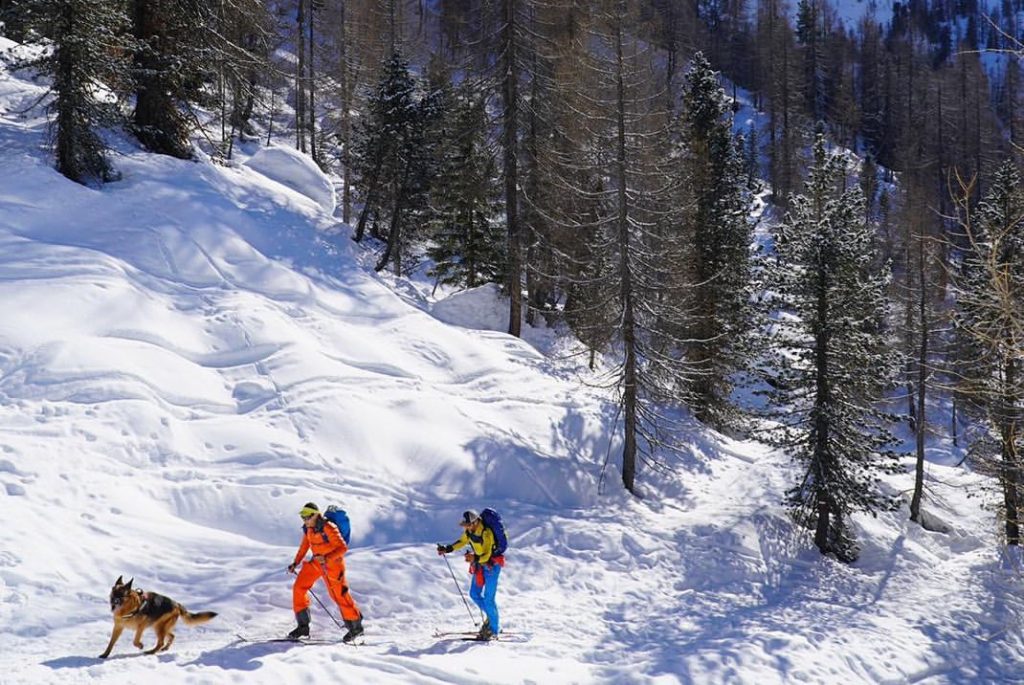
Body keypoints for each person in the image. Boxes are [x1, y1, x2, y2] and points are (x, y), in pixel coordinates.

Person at [288, 502, 364, 642]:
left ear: (315, 515)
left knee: (338, 594)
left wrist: (327, 558)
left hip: (333, 564)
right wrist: (295, 563)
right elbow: (304, 547)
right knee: (299, 587)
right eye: (302, 517)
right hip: (317, 563)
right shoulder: (309, 529)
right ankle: (303, 627)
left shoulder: (329, 527)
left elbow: (342, 548)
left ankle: (356, 626)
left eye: (307, 517)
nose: (304, 520)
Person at [436, 510, 504, 640]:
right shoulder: (469, 532)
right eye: (465, 525)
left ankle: (494, 630)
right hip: (479, 566)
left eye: (468, 524)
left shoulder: (486, 533)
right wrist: (447, 549)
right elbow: (461, 542)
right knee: (474, 594)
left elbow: (487, 555)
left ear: (475, 522)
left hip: (492, 566)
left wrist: (474, 558)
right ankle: (491, 618)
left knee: (489, 598)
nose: (466, 527)